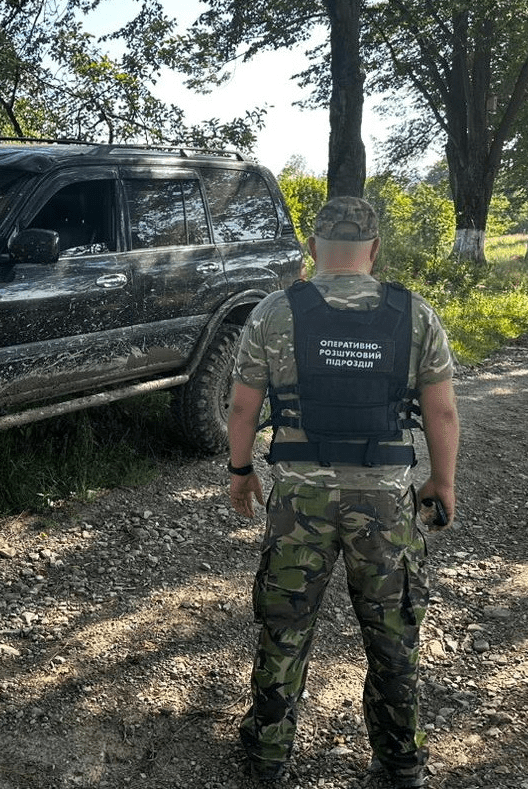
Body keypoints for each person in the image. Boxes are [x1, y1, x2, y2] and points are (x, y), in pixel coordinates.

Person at [226, 196, 459, 787]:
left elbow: (243, 404)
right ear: (374, 249)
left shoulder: (275, 312)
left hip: (300, 499)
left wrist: (240, 470)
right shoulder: (416, 314)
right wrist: (441, 480)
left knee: (285, 624)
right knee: (392, 633)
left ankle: (269, 753)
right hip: (383, 501)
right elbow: (443, 411)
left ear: (312, 247)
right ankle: (400, 760)